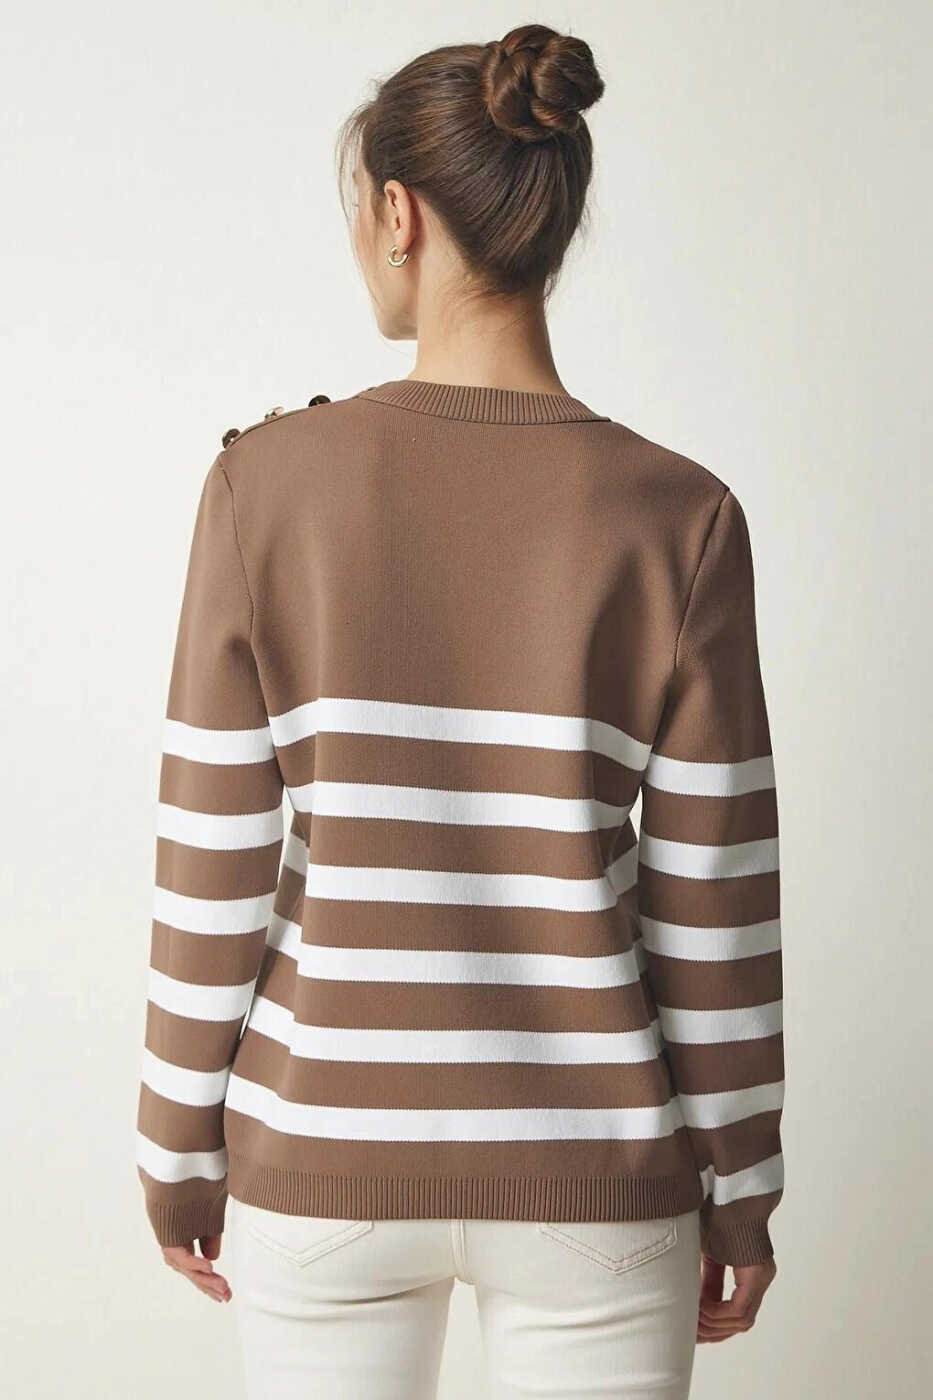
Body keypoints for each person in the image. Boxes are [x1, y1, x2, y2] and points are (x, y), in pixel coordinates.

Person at [135, 24, 783, 1400]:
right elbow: (712, 907)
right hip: (596, 1169)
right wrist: (739, 1186)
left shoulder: (263, 488)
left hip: (325, 1156)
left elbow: (214, 864)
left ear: (398, 213)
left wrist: (177, 1145)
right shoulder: (682, 517)